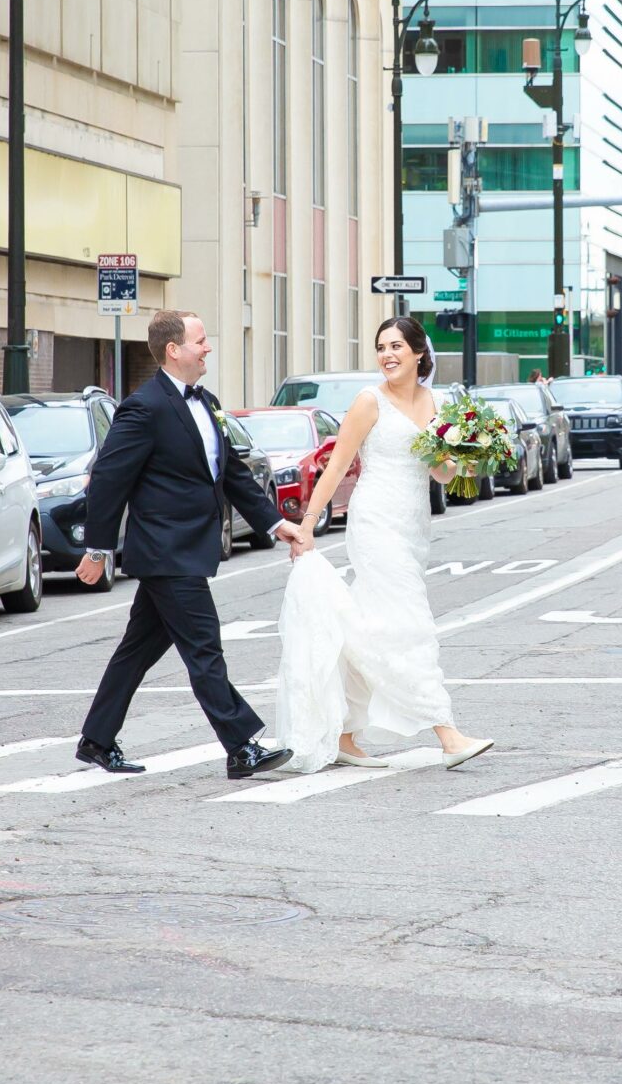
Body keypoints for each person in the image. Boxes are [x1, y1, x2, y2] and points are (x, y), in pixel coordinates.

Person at [73, 311, 308, 780]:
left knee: (137, 650)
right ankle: (241, 746)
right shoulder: (144, 407)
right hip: (166, 551)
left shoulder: (207, 401)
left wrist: (274, 523)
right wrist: (98, 550)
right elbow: (108, 481)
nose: (208, 348)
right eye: (200, 341)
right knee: (204, 648)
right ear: (173, 350)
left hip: (187, 549)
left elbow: (232, 474)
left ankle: (96, 739)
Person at [276, 316, 494, 775]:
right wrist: (308, 524)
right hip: (375, 521)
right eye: (381, 347)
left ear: (419, 353)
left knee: (371, 625)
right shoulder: (368, 401)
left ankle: (344, 735)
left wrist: (470, 460)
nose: (387, 355)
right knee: (410, 624)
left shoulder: (433, 403)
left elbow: (440, 473)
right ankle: (446, 732)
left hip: (413, 526)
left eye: (397, 346)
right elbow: (335, 469)